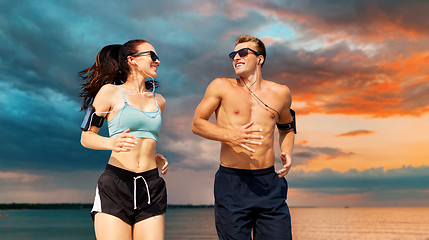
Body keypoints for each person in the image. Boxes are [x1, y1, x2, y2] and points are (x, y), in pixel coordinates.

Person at [191, 35, 295, 239]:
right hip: (232, 183)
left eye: (243, 52)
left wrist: (287, 151)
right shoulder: (221, 86)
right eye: (233, 54)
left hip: (269, 182)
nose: (236, 57)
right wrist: (231, 136)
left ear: (260, 59)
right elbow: (197, 123)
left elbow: (287, 127)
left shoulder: (281, 92)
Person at [79, 39, 168, 240]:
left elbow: (146, 137)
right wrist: (111, 142)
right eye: (152, 56)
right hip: (116, 185)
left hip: (151, 185)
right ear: (132, 60)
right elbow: (86, 137)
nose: (158, 61)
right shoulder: (110, 92)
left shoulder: (159, 101)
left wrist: (154, 156)